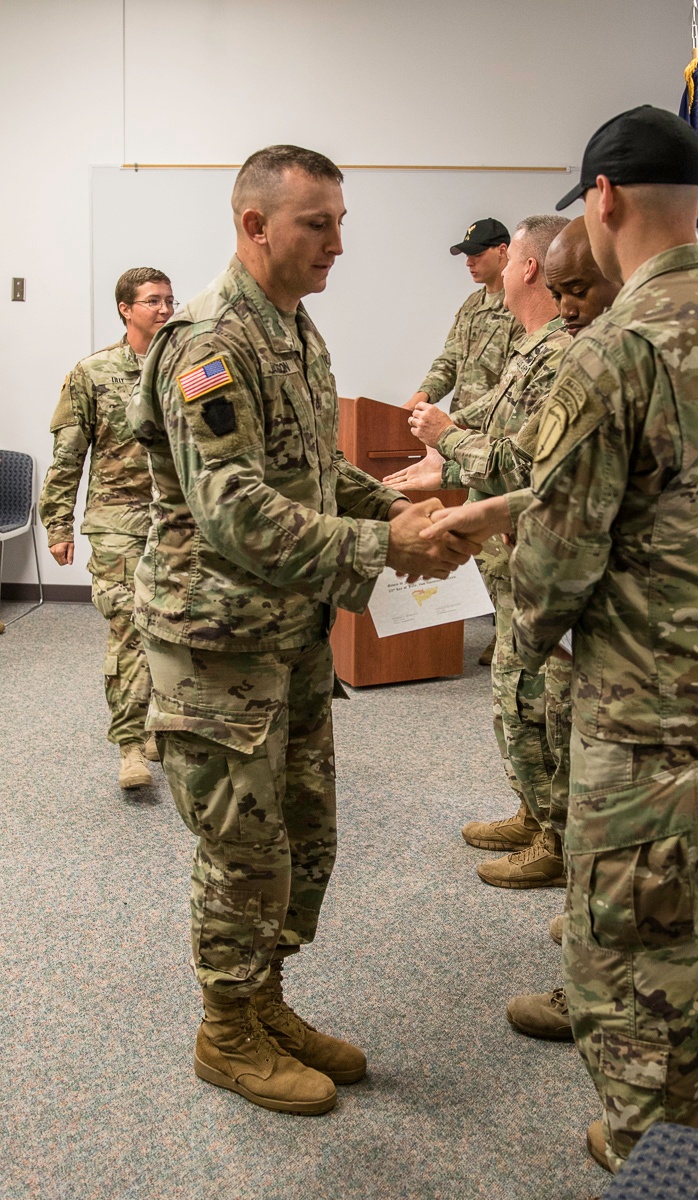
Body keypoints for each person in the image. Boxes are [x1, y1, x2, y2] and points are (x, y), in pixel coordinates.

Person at [421, 106, 698, 1174]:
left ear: (601, 199)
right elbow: (681, 496)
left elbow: (554, 572)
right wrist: (519, 509)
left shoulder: (612, 352)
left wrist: (519, 622)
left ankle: (647, 1147)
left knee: (629, 929)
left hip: (646, 700)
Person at [126, 144, 478, 1117]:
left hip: (284, 629)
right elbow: (232, 505)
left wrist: (407, 518)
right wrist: (380, 547)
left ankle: (263, 997)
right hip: (215, 640)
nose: (336, 243)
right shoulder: (206, 341)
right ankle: (223, 1031)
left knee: (300, 836)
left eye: (339, 221)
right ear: (254, 227)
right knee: (241, 846)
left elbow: (309, 475)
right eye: (316, 223)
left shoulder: (291, 329)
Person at [388, 215, 572, 891]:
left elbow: (524, 458)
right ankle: (538, 811)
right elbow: (485, 412)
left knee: (540, 693)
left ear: (524, 264)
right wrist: (440, 457)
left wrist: (447, 438)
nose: (476, 265)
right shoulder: (526, 342)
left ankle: (557, 832)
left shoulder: (563, 351)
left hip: (546, 549)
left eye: (500, 253)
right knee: (519, 692)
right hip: (512, 527)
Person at [39, 267, 174, 789]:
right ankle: (129, 745)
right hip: (117, 519)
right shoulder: (92, 373)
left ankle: (162, 725)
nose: (164, 310)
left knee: (173, 625)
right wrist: (58, 522)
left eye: (168, 300)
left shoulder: (187, 368)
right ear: (125, 308)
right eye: (152, 301)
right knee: (128, 625)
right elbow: (67, 457)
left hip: (180, 521)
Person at [402, 217, 524, 418]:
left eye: (477, 254)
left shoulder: (518, 306)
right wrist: (415, 402)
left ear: (502, 251)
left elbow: (511, 385)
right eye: (468, 255)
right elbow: (449, 362)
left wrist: (451, 422)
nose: (468, 262)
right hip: (458, 435)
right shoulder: (471, 305)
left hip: (493, 436)